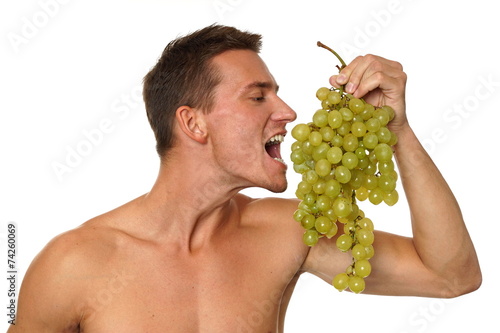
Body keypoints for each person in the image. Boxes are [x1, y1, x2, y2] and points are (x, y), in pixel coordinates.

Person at [9, 24, 481, 333]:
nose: (289, 112)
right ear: (193, 123)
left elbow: (451, 276)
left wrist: (397, 129)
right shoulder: (73, 262)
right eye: (259, 98)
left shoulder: (290, 229)